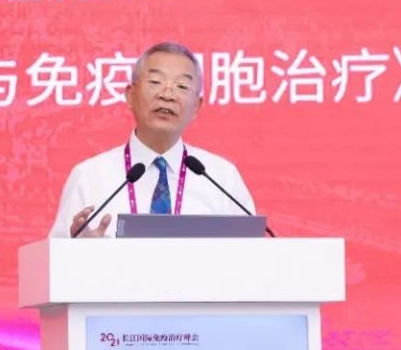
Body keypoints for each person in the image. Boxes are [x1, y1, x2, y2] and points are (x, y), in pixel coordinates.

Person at [49, 42, 256, 238]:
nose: (167, 94)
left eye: (182, 86)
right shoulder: (88, 177)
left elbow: (253, 254)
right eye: (155, 82)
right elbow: (53, 258)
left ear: (196, 107)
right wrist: (78, 252)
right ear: (130, 95)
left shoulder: (222, 178)